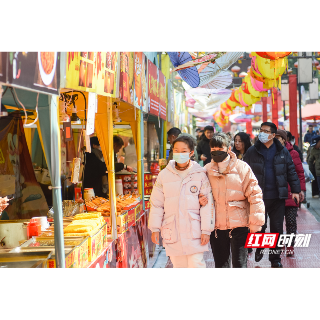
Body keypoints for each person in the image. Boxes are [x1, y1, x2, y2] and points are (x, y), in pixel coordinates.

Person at [198, 132, 265, 268]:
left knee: (240, 264)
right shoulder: (206, 170)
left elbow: (255, 194)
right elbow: (199, 194)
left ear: (229, 149)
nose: (216, 152)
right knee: (221, 264)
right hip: (217, 226)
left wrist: (256, 224)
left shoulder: (242, 168)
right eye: (213, 150)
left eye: (220, 149)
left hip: (240, 225)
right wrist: (200, 199)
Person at [148, 135, 215, 268]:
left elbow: (207, 205)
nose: (179, 154)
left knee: (197, 264)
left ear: (191, 152)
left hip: (194, 231)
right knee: (178, 265)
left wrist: (206, 230)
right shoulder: (164, 175)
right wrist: (155, 228)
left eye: (184, 151)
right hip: (173, 230)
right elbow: (157, 203)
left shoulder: (200, 174)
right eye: (176, 150)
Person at [243, 122, 301, 268]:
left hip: (277, 197)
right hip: (258, 199)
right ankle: (259, 248)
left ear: (273, 135)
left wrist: (295, 190)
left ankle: (275, 259)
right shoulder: (252, 151)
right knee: (259, 227)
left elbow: (291, 171)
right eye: (261, 130)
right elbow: (243, 173)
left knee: (276, 229)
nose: (262, 133)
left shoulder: (282, 151)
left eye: (266, 131)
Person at [275, 130, 306, 257]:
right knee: (276, 223)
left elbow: (300, 173)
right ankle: (281, 243)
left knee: (291, 221)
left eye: (279, 138)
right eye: (274, 138)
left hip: (291, 193)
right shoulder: (270, 153)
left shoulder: (293, 153)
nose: (276, 140)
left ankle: (290, 245)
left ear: (284, 139)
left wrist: (301, 190)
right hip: (275, 194)